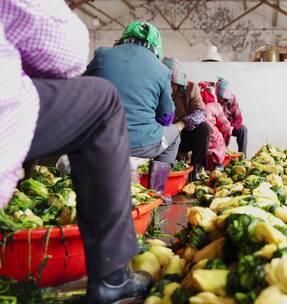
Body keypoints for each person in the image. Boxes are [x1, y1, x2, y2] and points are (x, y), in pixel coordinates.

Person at [0, 1, 149, 303]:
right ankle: (112, 276)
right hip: (145, 145)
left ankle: (25, 180)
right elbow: (67, 56)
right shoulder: (166, 72)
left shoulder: (105, 54)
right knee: (103, 102)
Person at [85, 21, 180, 192]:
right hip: (140, 145)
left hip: (98, 140)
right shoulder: (162, 70)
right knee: (175, 136)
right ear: (156, 46)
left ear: (124, 37)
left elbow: (80, 88)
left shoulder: (102, 54)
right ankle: (156, 192)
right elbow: (166, 117)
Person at [162, 57, 211, 180]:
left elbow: (201, 112)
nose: (168, 87)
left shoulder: (191, 88)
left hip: (184, 135)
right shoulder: (158, 90)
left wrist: (182, 123)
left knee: (204, 128)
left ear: (178, 82)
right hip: (164, 136)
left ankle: (197, 168)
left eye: (171, 84)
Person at [199, 82, 232, 169]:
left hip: (199, 141)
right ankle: (218, 166)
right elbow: (226, 127)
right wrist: (226, 140)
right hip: (213, 141)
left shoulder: (198, 103)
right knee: (218, 138)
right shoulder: (215, 106)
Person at [215, 77, 248, 154]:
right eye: (220, 97)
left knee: (243, 129)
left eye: (224, 97)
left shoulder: (232, 99)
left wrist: (232, 127)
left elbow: (238, 117)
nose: (222, 99)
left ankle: (242, 156)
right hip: (216, 127)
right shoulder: (211, 97)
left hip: (229, 126)